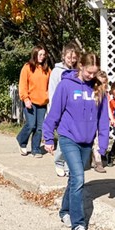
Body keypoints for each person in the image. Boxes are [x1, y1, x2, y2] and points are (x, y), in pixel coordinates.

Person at [43, 52, 110, 230]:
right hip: (68, 137)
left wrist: (102, 146)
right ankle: (78, 223)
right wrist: (48, 137)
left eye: (95, 72)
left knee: (74, 178)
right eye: (89, 72)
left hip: (86, 141)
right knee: (79, 177)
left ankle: (64, 210)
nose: (91, 76)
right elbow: (54, 112)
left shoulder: (98, 89)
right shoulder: (66, 86)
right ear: (80, 66)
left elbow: (103, 119)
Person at [47, 43, 81, 177]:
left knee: (73, 140)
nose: (71, 60)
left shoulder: (78, 71)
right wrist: (53, 112)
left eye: (74, 58)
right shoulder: (57, 72)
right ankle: (59, 162)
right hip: (60, 110)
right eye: (69, 57)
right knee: (64, 139)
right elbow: (52, 92)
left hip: (74, 111)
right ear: (64, 56)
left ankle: (69, 166)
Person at [16, 46, 51, 157]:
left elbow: (50, 85)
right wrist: (25, 98)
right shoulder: (28, 67)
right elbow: (22, 84)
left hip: (42, 102)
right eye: (39, 54)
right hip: (30, 101)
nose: (41, 57)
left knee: (39, 127)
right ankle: (22, 140)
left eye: (43, 55)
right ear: (35, 54)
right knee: (31, 125)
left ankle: (36, 149)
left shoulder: (47, 69)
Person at [90, 71, 110, 173]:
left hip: (99, 121)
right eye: (100, 83)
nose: (102, 86)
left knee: (98, 141)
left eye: (104, 83)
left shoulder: (104, 96)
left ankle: (98, 161)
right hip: (88, 122)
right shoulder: (90, 93)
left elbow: (105, 111)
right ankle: (91, 158)